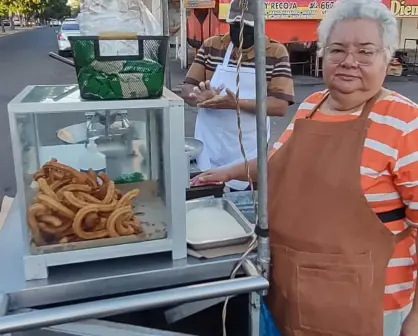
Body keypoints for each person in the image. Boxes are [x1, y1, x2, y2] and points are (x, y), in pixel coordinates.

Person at [192, 0, 418, 334]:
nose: (349, 62)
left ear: (387, 56)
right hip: (290, 294)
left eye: (366, 51)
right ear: (323, 53)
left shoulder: (405, 122)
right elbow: (279, 165)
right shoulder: (313, 104)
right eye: (338, 49)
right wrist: (228, 172)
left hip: (367, 308)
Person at [181, 0, 294, 192]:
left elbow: (279, 106)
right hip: (210, 145)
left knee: (246, 206)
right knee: (208, 196)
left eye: (248, 27)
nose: (240, 33)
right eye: (235, 26)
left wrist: (236, 104)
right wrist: (197, 96)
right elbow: (187, 88)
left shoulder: (275, 52)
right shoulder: (212, 46)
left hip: (249, 152)